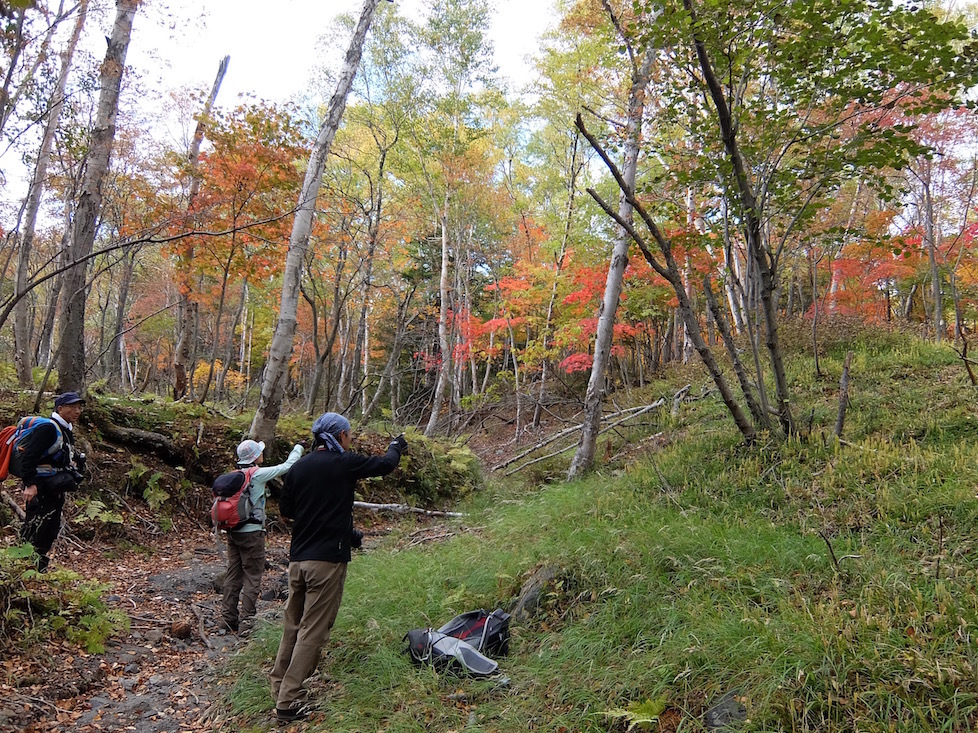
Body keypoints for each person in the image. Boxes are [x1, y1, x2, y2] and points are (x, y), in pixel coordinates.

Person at [270, 412, 407, 723]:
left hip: (298, 561)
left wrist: (342, 530)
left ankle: (279, 686)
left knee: (292, 625)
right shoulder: (343, 463)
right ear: (340, 436)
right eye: (349, 434)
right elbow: (385, 464)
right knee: (314, 630)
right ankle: (287, 702)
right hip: (326, 562)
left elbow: (288, 512)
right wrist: (396, 446)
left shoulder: (299, 467)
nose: (351, 439)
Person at [220, 438, 304, 636]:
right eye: (260, 452)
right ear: (255, 457)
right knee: (253, 575)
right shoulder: (257, 474)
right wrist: (298, 448)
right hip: (252, 534)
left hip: (233, 532)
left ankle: (227, 619)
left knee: (233, 573)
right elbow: (288, 466)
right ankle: (247, 623)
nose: (262, 454)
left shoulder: (234, 476)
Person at [17, 392, 87, 572]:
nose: (77, 411)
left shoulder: (65, 430)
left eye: (79, 407)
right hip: (40, 488)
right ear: (60, 408)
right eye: (73, 407)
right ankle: (23, 569)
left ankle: (38, 568)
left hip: (53, 488)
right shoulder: (48, 428)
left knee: (50, 529)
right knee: (35, 528)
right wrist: (30, 485)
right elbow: (29, 457)